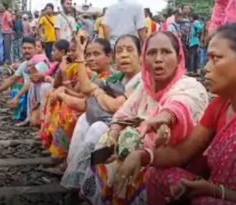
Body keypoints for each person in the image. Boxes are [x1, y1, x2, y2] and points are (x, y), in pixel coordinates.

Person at [115, 22, 236, 205]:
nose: (205, 67)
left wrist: (215, 191)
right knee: (158, 175)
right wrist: (143, 155)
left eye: (215, 58)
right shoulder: (221, 105)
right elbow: (181, 153)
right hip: (217, 192)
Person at [80, 31, 208, 205]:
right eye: (152, 53)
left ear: (178, 58)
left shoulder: (190, 86)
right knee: (105, 143)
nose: (158, 59)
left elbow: (180, 105)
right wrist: (113, 134)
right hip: (139, 151)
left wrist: (163, 119)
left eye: (166, 52)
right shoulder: (146, 88)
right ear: (144, 59)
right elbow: (123, 114)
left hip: (171, 159)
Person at [61, 34, 143, 190]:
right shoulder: (119, 77)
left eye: (130, 50)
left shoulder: (141, 80)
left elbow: (114, 106)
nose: (124, 54)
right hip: (113, 122)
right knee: (84, 120)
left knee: (97, 127)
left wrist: (97, 92)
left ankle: (87, 184)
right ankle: (74, 174)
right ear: (115, 56)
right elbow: (86, 88)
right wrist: (79, 54)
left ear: (140, 56)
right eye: (119, 50)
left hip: (131, 128)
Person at [39, 37, 113, 161]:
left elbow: (84, 99)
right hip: (89, 108)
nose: (91, 58)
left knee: (68, 112)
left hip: (99, 116)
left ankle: (63, 154)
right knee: (57, 97)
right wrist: (65, 90)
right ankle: (54, 146)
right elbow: (79, 94)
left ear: (109, 56)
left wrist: (64, 84)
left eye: (96, 54)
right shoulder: (91, 73)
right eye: (88, 55)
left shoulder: (101, 75)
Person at [0, 37, 46, 121]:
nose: (27, 51)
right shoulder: (26, 63)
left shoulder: (40, 63)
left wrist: (16, 97)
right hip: (31, 93)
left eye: (29, 48)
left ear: (35, 49)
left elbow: (30, 84)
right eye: (24, 48)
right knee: (16, 86)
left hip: (41, 95)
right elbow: (12, 79)